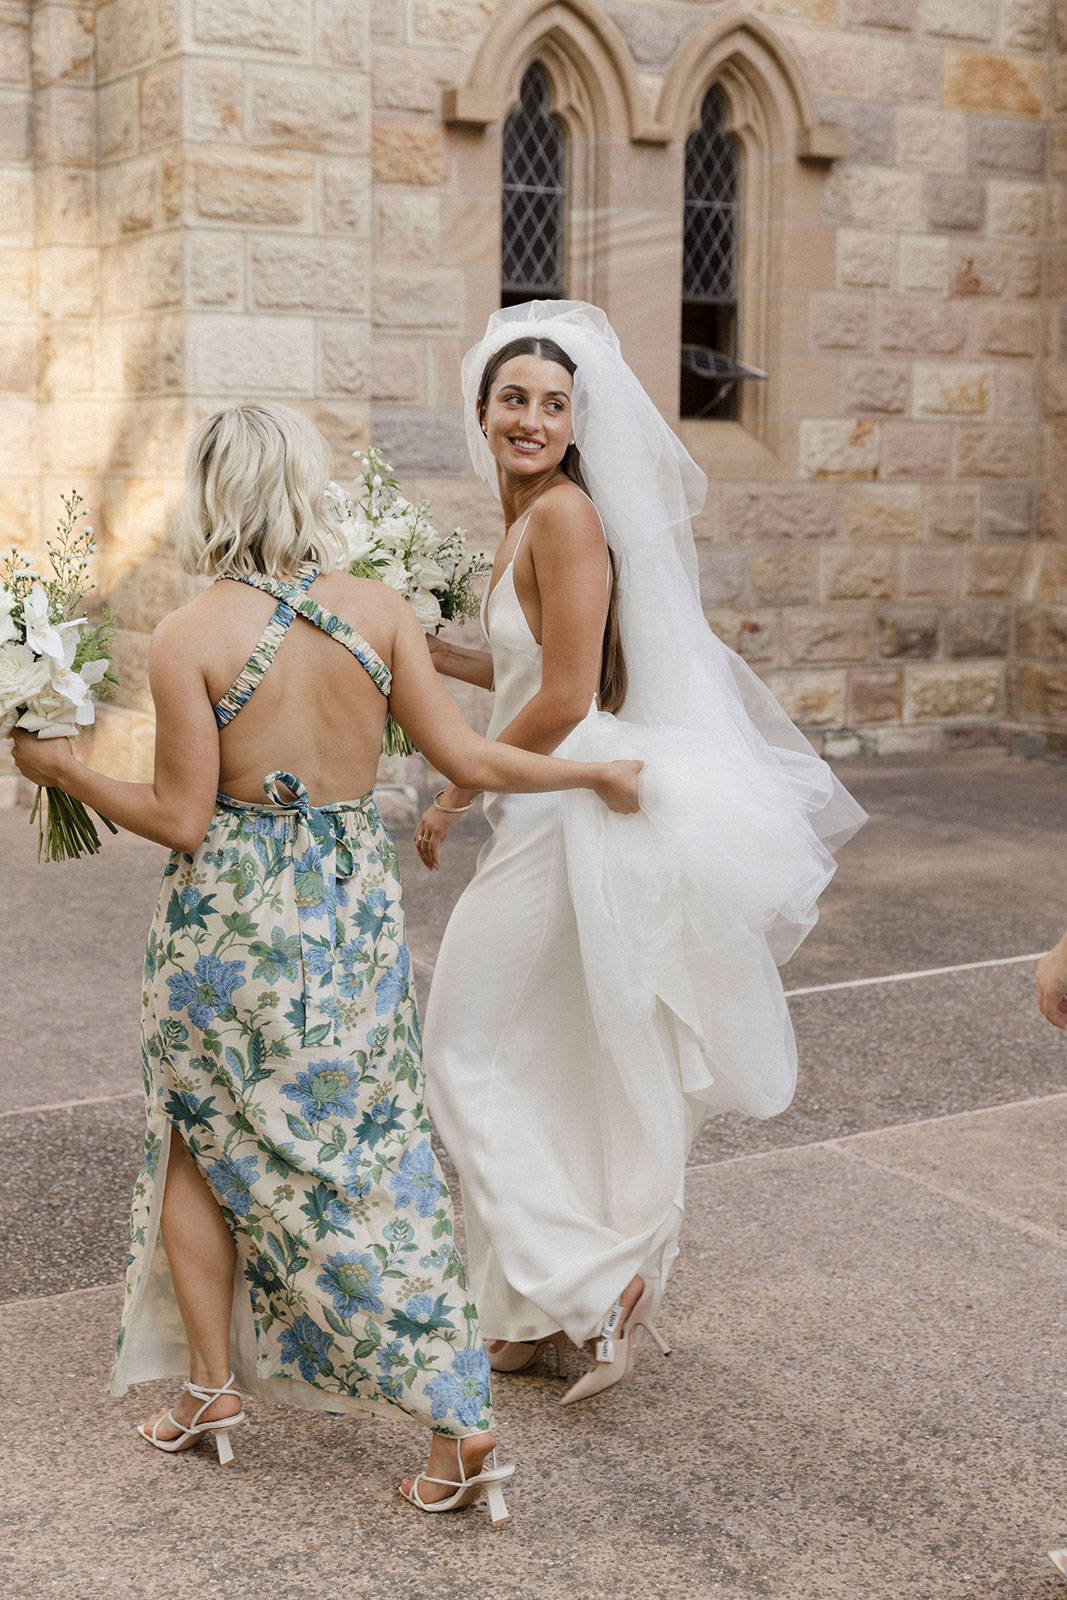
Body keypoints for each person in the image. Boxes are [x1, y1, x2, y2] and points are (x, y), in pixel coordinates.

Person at [9, 401, 640, 1522]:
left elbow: (183, 819)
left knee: (195, 1142)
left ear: (206, 496)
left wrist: (63, 775)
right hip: (351, 918)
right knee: (376, 1157)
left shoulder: (191, 635)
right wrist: (589, 776)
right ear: (307, 489)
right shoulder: (378, 610)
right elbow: (464, 752)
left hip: (225, 939)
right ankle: (319, 1403)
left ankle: (331, 1404)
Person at [416, 301, 867, 1404]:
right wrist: (425, 653)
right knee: (534, 1051)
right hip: (543, 806)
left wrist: (454, 778)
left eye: (551, 405)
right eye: (513, 399)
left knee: (459, 1049)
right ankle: (517, 1318)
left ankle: (583, 1273)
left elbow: (570, 696)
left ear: (576, 425)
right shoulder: (523, 521)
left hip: (569, 807)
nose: (530, 418)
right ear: (481, 411)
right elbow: (536, 669)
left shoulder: (565, 515)